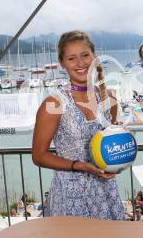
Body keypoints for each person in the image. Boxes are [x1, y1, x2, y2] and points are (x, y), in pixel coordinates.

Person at [32, 30, 124, 220]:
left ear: (94, 57)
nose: (81, 63)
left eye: (85, 55)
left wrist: (116, 165)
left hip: (106, 192)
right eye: (72, 58)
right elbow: (39, 156)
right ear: (62, 63)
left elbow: (112, 145)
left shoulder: (110, 98)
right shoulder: (54, 104)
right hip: (70, 196)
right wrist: (79, 166)